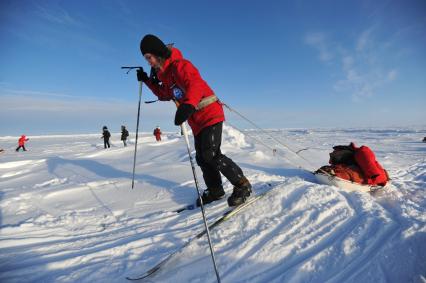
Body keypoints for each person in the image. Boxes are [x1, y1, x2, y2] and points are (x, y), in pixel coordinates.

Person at [137, 34, 252, 207]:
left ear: (157, 53)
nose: (149, 62)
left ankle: (243, 185)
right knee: (202, 158)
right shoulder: (166, 76)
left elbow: (195, 85)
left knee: (211, 154)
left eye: (149, 58)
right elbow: (164, 94)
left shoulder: (181, 65)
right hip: (196, 121)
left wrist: (188, 105)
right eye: (146, 59)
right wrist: (147, 80)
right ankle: (215, 190)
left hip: (210, 113)